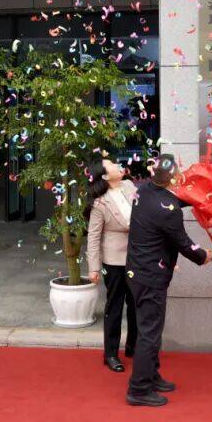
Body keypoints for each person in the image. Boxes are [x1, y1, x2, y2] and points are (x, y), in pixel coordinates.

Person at [125, 155, 212, 407]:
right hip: (150, 276)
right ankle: (139, 389)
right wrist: (203, 256)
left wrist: (201, 198)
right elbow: (183, 243)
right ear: (173, 178)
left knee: (149, 329)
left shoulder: (143, 191)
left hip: (136, 272)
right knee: (149, 332)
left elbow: (170, 201)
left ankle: (151, 376)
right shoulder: (168, 210)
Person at [86, 156, 139, 373]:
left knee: (136, 304)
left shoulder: (130, 186)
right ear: (106, 176)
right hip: (114, 261)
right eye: (112, 165)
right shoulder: (100, 203)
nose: (118, 165)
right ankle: (110, 354)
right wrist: (93, 267)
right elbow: (93, 236)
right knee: (114, 306)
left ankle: (133, 346)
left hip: (136, 257)